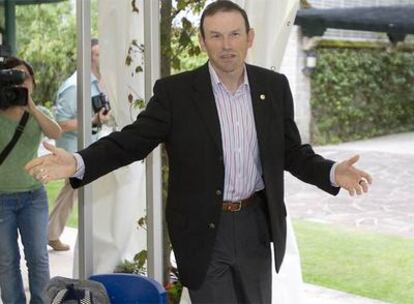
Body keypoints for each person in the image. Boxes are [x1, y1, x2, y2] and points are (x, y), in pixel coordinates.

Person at [26, 1, 372, 303]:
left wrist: (330, 172)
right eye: (216, 36)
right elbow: (131, 141)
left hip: (256, 225)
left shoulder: (273, 87)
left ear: (249, 38)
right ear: (203, 41)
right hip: (204, 230)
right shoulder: (176, 93)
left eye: (234, 34)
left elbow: (292, 152)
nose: (226, 45)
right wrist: (78, 160)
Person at [0, 56, 62, 303]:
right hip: (1, 198)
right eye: (14, 76)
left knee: (38, 257)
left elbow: (55, 132)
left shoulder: (39, 113)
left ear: (33, 82)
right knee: (6, 261)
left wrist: (32, 107)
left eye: (25, 76)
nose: (21, 81)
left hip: (33, 197)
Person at [47, 38, 111, 251]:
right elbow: (60, 123)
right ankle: (52, 234)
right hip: (73, 150)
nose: (102, 58)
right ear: (88, 58)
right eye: (98, 54)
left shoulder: (95, 83)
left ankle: (52, 233)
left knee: (72, 193)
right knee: (72, 192)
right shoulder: (75, 86)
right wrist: (93, 121)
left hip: (88, 146)